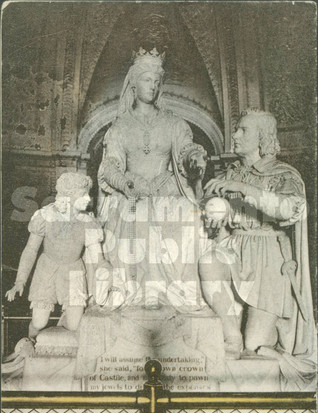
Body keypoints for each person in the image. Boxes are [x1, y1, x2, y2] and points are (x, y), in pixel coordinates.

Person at [200, 108, 316, 370]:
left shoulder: (283, 173)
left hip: (268, 260)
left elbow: (290, 209)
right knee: (209, 261)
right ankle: (232, 335)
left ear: (262, 137)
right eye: (237, 128)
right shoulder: (232, 173)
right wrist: (215, 213)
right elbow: (222, 217)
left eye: (243, 130)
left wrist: (243, 189)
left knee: (255, 349)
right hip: (235, 248)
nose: (236, 134)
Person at [97, 47, 209, 311]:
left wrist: (194, 158)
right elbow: (110, 166)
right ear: (133, 84)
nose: (153, 86)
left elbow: (185, 152)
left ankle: (170, 290)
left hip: (168, 190)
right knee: (138, 211)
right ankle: (141, 290)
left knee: (187, 212)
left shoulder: (174, 123)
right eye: (147, 80)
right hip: (132, 194)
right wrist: (128, 184)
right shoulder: (120, 127)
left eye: (157, 81)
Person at [6, 172, 108, 342]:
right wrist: (20, 281)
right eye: (83, 194)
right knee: (39, 323)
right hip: (47, 271)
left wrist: (105, 267)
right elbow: (30, 250)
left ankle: (60, 332)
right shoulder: (45, 216)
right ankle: (29, 342)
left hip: (74, 271)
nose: (88, 199)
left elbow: (97, 256)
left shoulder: (88, 222)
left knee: (75, 325)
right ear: (69, 196)